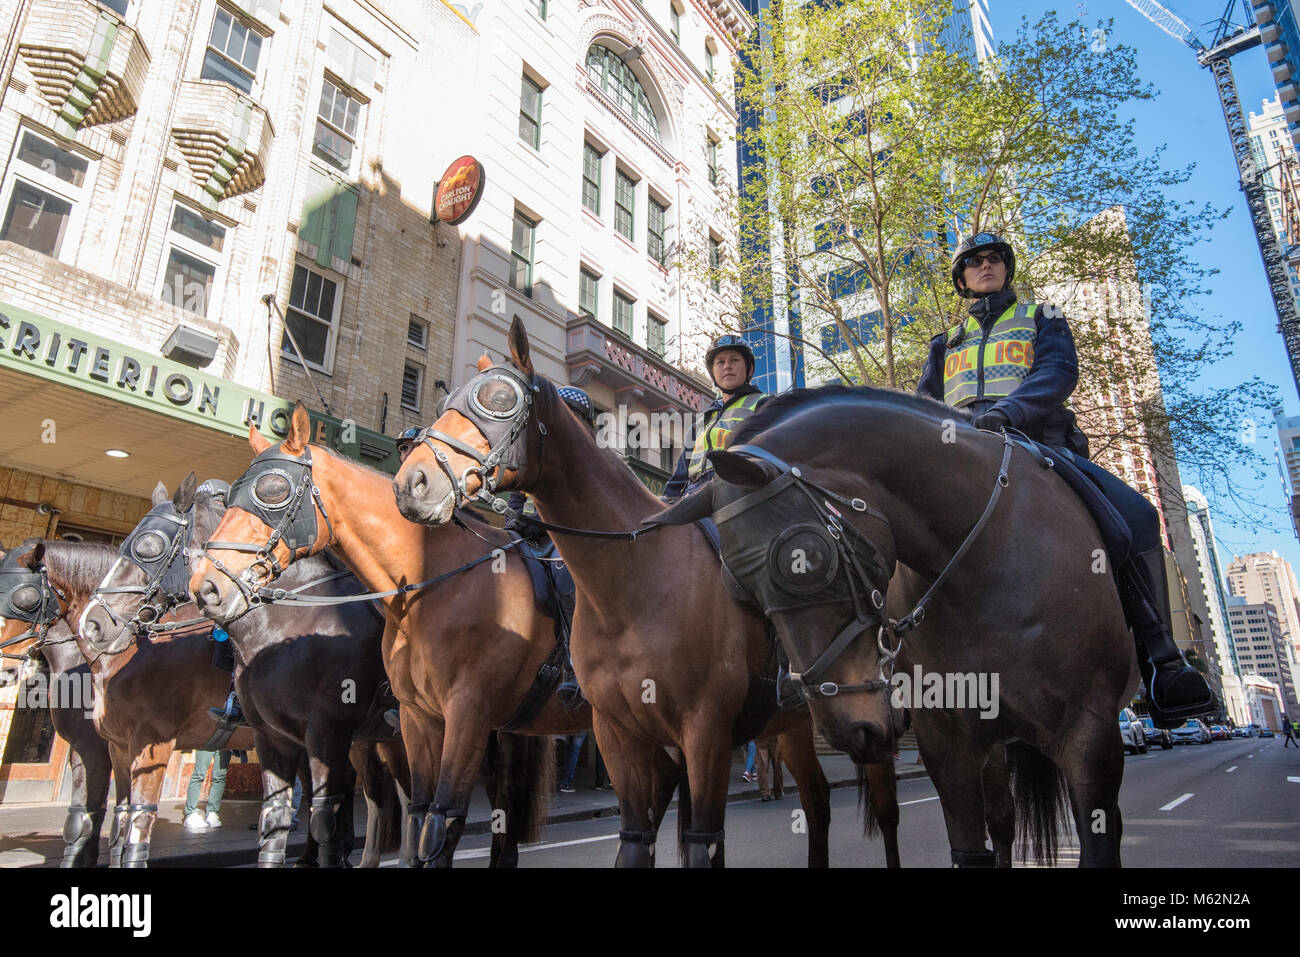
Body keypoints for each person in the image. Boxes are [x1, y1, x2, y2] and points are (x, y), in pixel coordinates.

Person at [916, 231, 1214, 730]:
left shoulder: (1042, 317)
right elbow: (925, 404)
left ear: (1006, 269)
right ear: (961, 279)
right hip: (961, 454)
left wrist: (1008, 412)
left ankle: (1162, 659)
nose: (985, 266)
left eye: (994, 259)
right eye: (974, 262)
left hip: (1036, 443)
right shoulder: (944, 343)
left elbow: (1058, 373)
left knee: (1137, 518)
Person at [663, 336, 769, 502]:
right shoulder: (702, 420)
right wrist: (665, 503)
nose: (727, 366)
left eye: (734, 360)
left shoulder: (764, 405)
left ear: (749, 369)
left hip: (739, 493)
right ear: (712, 372)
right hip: (695, 494)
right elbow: (681, 473)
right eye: (720, 362)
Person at [183, 748, 231, 829]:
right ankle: (190, 812)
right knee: (199, 774)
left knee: (220, 777)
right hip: (207, 741)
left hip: (225, 741)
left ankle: (213, 812)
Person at [754, 733, 784, 802]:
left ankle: (765, 793)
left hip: (763, 738)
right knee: (777, 767)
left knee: (762, 767)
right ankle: (778, 793)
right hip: (775, 739)